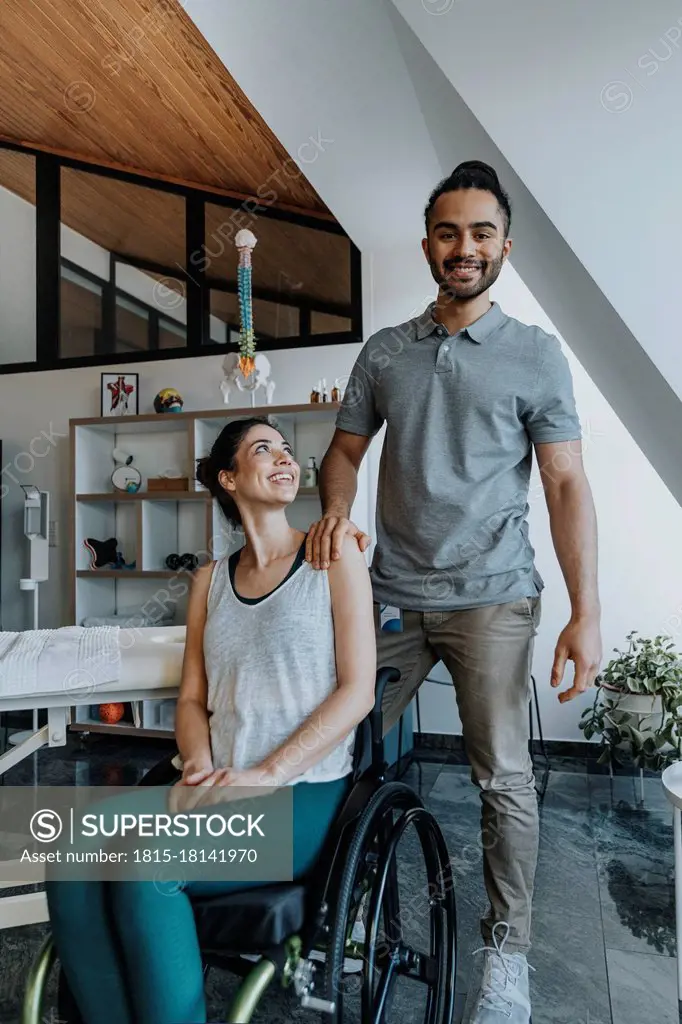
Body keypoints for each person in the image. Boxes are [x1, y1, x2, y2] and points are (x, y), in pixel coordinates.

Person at [306, 161, 603, 1024]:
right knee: (329, 737)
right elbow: (346, 452)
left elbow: (566, 487)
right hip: (390, 592)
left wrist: (585, 613)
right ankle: (337, 916)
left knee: (503, 778)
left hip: (492, 596)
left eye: (480, 233)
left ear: (503, 245)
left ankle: (504, 959)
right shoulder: (386, 351)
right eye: (448, 232)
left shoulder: (535, 355)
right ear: (428, 243)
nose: (463, 247)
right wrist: (333, 510)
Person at [45, 417, 376, 1024]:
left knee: (148, 868)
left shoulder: (336, 557)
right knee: (73, 846)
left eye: (284, 449)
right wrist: (198, 765)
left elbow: (357, 693)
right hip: (218, 783)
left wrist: (265, 773)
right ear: (229, 478)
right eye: (262, 450)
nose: (284, 458)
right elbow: (193, 699)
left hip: (299, 796)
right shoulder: (209, 582)